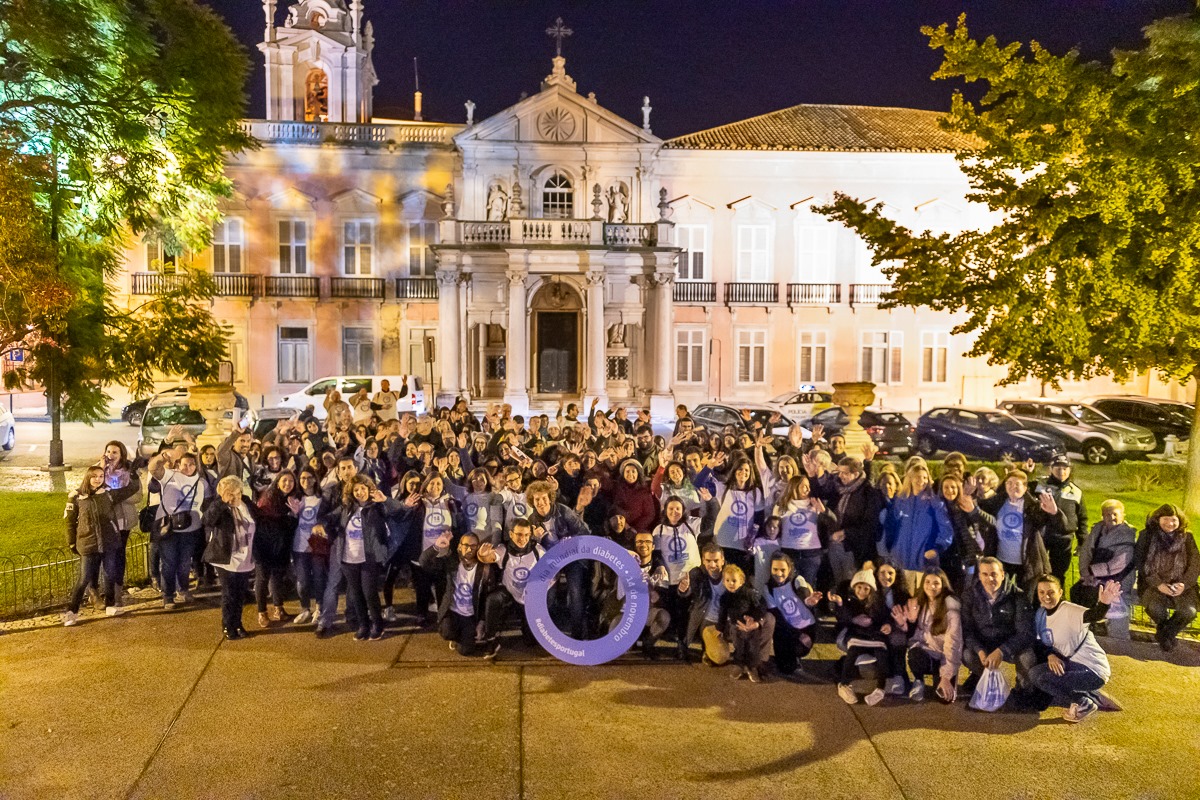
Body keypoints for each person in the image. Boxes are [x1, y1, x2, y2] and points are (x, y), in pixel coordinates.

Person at [1026, 574, 1122, 722]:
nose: (1046, 597)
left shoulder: (1069, 610)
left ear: (1060, 593)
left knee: (1044, 680)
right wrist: (1051, 655)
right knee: (1034, 674)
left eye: (1051, 592)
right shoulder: (1041, 614)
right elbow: (1042, 642)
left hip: (1093, 669)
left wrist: (1104, 603)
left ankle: (1083, 703)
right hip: (1072, 664)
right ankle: (1091, 694)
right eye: (1042, 592)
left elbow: (1093, 615)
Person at [959, 557, 1035, 695]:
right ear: (979, 576)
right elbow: (967, 630)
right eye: (985, 574)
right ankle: (982, 677)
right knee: (967, 655)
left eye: (994, 574)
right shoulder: (970, 595)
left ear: (1002, 574)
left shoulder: (1018, 596)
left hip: (1009, 644)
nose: (990, 579)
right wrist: (979, 650)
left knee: (1027, 657)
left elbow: (1025, 633)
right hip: (984, 644)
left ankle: (1022, 688)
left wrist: (1002, 651)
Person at [976, 470, 1060, 589]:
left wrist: (1054, 513)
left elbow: (1057, 525)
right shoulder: (996, 503)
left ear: (1025, 487)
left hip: (1027, 563)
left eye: (1017, 484)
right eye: (1009, 483)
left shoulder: (1033, 507)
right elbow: (978, 510)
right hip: (1001, 560)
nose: (1012, 487)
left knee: (1024, 600)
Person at [63, 467, 125, 625]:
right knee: (84, 579)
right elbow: (69, 521)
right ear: (87, 477)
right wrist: (71, 542)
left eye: (101, 476)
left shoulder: (108, 493)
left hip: (109, 541)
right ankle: (72, 611)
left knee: (110, 573)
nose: (98, 479)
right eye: (94, 476)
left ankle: (110, 605)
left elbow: (131, 489)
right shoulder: (76, 496)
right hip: (88, 542)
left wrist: (133, 473)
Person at [1134, 504, 1199, 652]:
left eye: (1174, 520)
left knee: (1188, 611)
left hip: (1182, 584)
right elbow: (1141, 562)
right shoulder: (1147, 535)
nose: (1170, 524)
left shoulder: (1187, 537)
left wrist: (1184, 584)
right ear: (1158, 519)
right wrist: (1158, 584)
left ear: (1180, 521)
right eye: (1166, 519)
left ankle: (1164, 634)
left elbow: (1195, 564)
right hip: (1153, 583)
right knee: (1155, 608)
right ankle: (1167, 636)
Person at [147, 452, 207, 610]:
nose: (188, 467)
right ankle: (168, 596)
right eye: (185, 464)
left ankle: (184, 589)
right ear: (178, 465)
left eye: (192, 464)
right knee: (169, 562)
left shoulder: (201, 482)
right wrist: (162, 457)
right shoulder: (170, 476)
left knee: (185, 562)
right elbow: (153, 468)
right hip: (169, 527)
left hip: (191, 527)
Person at [202, 476, 258, 640]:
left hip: (245, 556)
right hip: (226, 557)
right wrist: (221, 502)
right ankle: (228, 626)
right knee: (229, 593)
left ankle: (238, 623)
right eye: (229, 494)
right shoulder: (217, 506)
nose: (234, 497)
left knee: (240, 593)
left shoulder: (246, 504)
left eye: (237, 493)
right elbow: (207, 519)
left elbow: (258, 519)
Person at [881, 463, 954, 590]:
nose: (922, 481)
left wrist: (936, 548)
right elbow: (891, 525)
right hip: (900, 560)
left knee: (923, 599)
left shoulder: (934, 502)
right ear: (910, 478)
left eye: (925, 478)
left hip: (923, 561)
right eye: (918, 477)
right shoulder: (900, 500)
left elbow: (946, 529)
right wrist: (892, 547)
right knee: (903, 598)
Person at [421, 530, 494, 656]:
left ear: (478, 547)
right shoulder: (451, 562)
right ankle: (456, 633)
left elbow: (486, 596)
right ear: (460, 546)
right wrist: (436, 547)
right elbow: (424, 562)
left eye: (473, 546)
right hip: (453, 612)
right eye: (466, 545)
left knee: (466, 651)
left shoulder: (484, 568)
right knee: (447, 632)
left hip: (470, 616)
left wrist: (481, 622)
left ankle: (465, 636)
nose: (469, 549)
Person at [1073, 499, 1137, 639]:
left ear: (1123, 515)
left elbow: (1118, 564)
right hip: (1096, 575)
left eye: (1115, 514)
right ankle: (1085, 625)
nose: (1111, 517)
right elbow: (1086, 551)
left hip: (1119, 577)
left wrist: (1092, 571)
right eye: (1107, 514)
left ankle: (1112, 632)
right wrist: (1085, 573)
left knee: (1096, 593)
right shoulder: (1098, 530)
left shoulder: (1127, 535)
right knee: (1077, 590)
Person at [830, 566, 894, 706]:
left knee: (882, 653)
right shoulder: (849, 601)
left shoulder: (877, 602)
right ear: (854, 587)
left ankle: (880, 688)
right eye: (859, 587)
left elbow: (885, 616)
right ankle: (844, 684)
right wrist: (840, 604)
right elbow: (842, 617)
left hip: (874, 635)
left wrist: (888, 625)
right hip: (857, 635)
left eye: (866, 588)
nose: (862, 591)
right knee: (852, 652)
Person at [897, 569, 963, 703]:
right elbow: (914, 635)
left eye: (936, 583)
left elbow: (953, 644)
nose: (931, 587)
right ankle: (919, 680)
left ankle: (941, 676)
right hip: (927, 653)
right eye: (927, 582)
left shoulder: (951, 608)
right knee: (915, 655)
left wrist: (946, 676)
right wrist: (906, 624)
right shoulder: (918, 603)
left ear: (943, 585)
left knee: (945, 700)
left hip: (945, 655)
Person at [478, 519, 543, 653]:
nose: (522, 539)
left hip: (528, 599)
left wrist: (537, 592)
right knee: (493, 599)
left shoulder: (538, 550)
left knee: (530, 641)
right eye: (519, 534)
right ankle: (490, 639)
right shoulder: (504, 549)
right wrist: (482, 555)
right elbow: (490, 557)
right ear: (511, 534)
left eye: (526, 535)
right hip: (509, 593)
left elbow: (552, 572)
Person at [712, 564, 774, 682]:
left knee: (752, 648)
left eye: (734, 580)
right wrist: (720, 628)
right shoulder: (725, 597)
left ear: (741, 581)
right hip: (735, 627)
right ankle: (739, 666)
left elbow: (760, 606)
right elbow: (722, 614)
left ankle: (752, 667)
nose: (731, 583)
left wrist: (754, 619)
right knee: (738, 647)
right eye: (727, 580)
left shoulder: (749, 593)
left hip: (751, 627)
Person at [764, 552, 821, 677]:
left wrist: (808, 601)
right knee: (785, 668)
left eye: (783, 569)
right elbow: (777, 617)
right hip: (786, 629)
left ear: (790, 569)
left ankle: (795, 655)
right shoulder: (768, 589)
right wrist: (796, 634)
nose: (779, 574)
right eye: (775, 569)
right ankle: (786, 658)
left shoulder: (797, 580)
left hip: (805, 627)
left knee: (799, 649)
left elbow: (803, 593)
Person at [99, 441, 142, 608]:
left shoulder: (130, 472)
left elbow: (137, 496)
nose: (111, 455)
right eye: (108, 451)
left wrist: (116, 496)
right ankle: (105, 593)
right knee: (107, 557)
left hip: (124, 521)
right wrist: (102, 468)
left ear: (122, 454)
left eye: (115, 452)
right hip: (106, 521)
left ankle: (117, 594)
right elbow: (93, 489)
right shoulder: (99, 470)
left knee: (119, 556)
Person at [254, 472, 299, 627]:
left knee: (277, 578)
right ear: (278, 482)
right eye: (284, 480)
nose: (287, 484)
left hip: (282, 545)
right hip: (265, 544)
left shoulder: (291, 499)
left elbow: (291, 526)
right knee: (262, 578)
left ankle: (278, 608)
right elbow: (264, 521)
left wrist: (294, 514)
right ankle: (262, 612)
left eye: (291, 481)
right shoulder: (268, 498)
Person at [1034, 456, 1086, 582]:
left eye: (1065, 468)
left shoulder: (1076, 491)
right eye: (1057, 468)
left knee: (1058, 574)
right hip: (1041, 536)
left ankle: (1057, 599)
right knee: (1037, 572)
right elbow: (1019, 486)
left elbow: (1082, 518)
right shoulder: (1038, 487)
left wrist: (1082, 541)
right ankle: (1037, 600)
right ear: (1051, 469)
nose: (1061, 472)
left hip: (1063, 539)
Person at [681, 543, 730, 665]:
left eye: (716, 560)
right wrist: (684, 590)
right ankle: (709, 649)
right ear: (703, 560)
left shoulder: (732, 573)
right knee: (720, 657)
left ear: (723, 560)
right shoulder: (697, 574)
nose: (712, 565)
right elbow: (688, 592)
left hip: (729, 621)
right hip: (709, 621)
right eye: (708, 561)